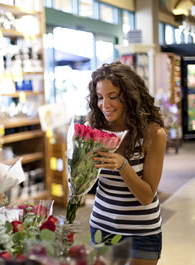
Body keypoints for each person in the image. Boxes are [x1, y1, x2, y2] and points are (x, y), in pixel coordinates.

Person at [88, 61, 167, 265]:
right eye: (99, 97)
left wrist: (123, 165)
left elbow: (146, 196)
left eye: (112, 96)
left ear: (130, 96)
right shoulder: (95, 129)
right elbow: (84, 185)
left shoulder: (153, 134)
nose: (104, 104)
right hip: (101, 227)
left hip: (141, 233)